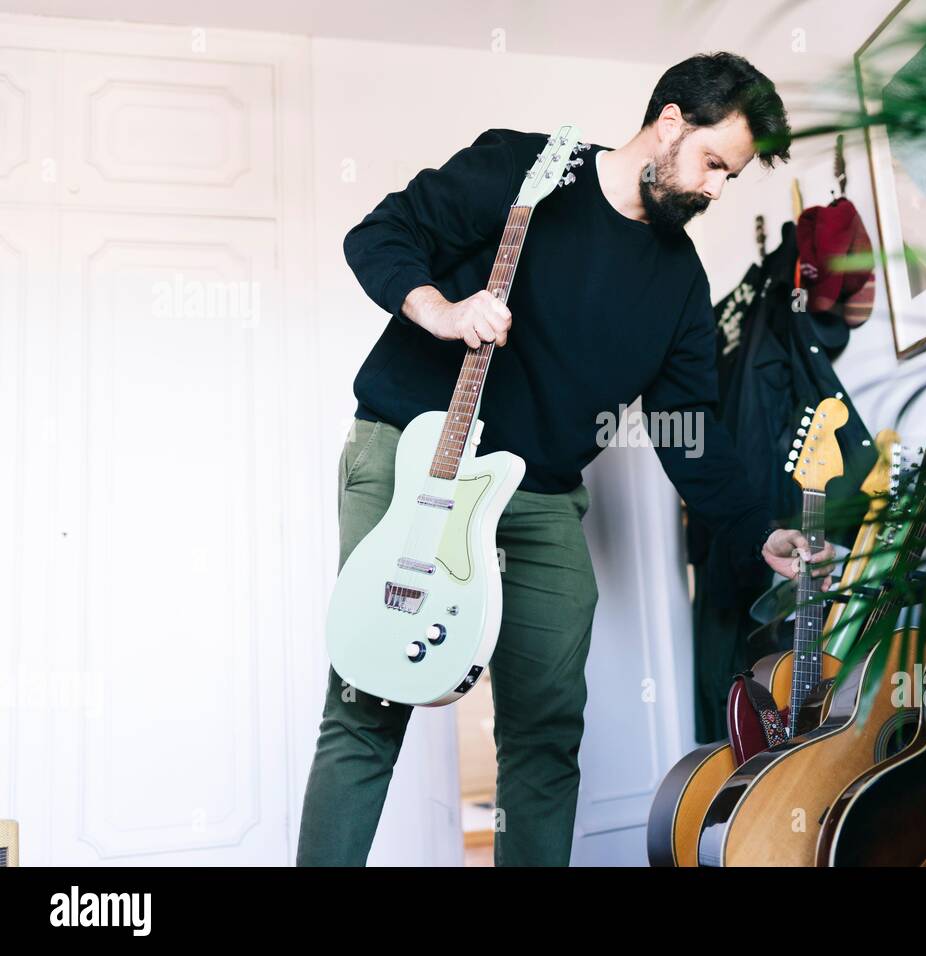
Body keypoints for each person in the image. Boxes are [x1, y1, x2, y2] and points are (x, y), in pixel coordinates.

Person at [296, 52, 834, 867]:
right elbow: (379, 234)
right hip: (416, 456)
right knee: (371, 699)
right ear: (669, 123)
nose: (716, 190)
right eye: (714, 165)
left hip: (538, 491)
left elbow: (686, 421)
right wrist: (440, 311)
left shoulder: (680, 284)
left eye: (731, 177)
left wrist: (755, 527)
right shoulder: (522, 170)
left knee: (547, 727)